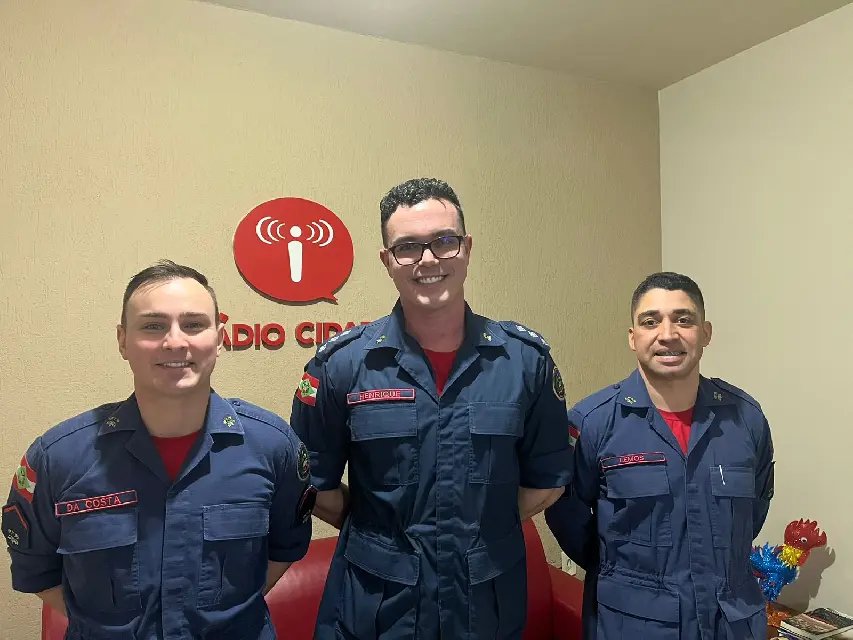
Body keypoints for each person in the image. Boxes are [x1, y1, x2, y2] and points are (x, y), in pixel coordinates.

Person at [290, 178, 572, 639]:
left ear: (467, 248)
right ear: (387, 260)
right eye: (407, 247)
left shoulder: (525, 362)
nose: (427, 260)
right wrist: (378, 532)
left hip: (485, 610)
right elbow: (310, 485)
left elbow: (548, 480)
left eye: (444, 241)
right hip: (378, 613)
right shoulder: (341, 366)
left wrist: (477, 529)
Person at [3, 260, 313, 639]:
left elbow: (284, 549)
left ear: (219, 338)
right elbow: (37, 572)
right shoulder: (58, 458)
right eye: (153, 326)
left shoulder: (272, 446)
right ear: (123, 341)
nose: (175, 342)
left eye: (194, 324)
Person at [546, 271, 775, 639]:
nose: (667, 334)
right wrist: (622, 574)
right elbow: (566, 517)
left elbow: (754, 510)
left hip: (731, 623)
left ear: (706, 333)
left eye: (683, 320)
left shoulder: (746, 418)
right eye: (650, 321)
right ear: (632, 337)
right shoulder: (592, 423)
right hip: (634, 624)